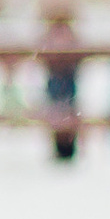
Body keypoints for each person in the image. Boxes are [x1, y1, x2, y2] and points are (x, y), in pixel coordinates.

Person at [39, 10, 82, 165]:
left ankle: (66, 148)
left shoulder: (61, 37)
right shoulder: (69, 37)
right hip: (58, 82)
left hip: (65, 82)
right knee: (59, 112)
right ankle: (61, 147)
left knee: (63, 112)